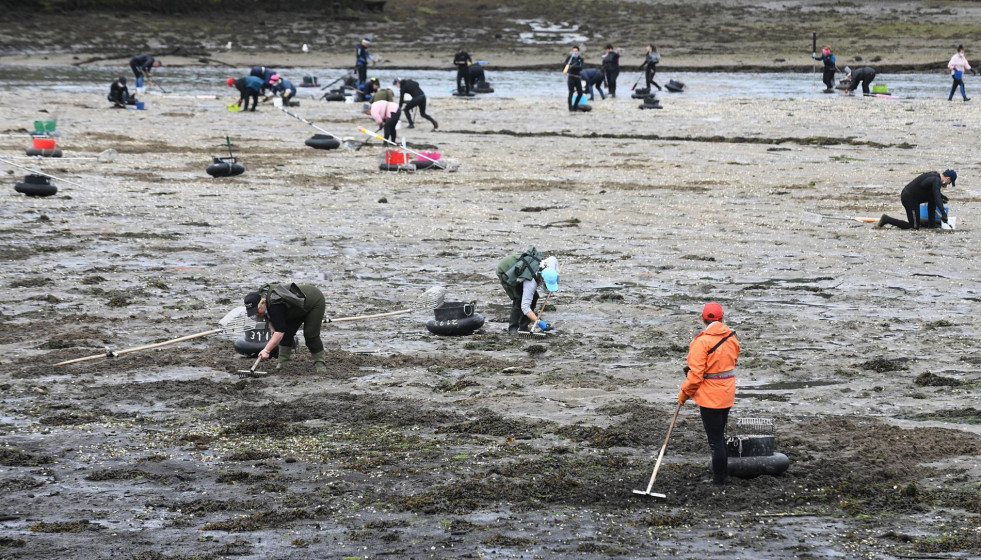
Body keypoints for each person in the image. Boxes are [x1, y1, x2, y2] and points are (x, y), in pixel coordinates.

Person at [678, 302, 740, 486]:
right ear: (722, 318)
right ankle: (722, 475)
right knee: (720, 436)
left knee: (716, 441)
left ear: (702, 319)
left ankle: (720, 480)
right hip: (727, 392)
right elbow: (732, 360)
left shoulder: (702, 342)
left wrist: (684, 393)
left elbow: (695, 377)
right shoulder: (732, 337)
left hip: (710, 396)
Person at [244, 283, 327, 373]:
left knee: (310, 334)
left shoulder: (274, 304)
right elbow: (269, 315)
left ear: (262, 303)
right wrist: (272, 325)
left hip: (313, 301)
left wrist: (266, 350)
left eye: (256, 311)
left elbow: (279, 332)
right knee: (287, 333)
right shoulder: (262, 298)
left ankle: (320, 363)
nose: (256, 314)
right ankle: (283, 362)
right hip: (296, 307)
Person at [495, 248, 559, 334]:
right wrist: (538, 322)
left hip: (521, 266)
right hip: (506, 269)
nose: (546, 287)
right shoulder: (530, 282)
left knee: (534, 297)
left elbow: (554, 258)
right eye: (546, 285)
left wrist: (557, 276)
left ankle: (523, 327)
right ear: (541, 279)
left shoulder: (550, 265)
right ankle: (513, 329)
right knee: (519, 298)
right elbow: (525, 307)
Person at [875, 170, 956, 230]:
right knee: (913, 227)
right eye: (949, 182)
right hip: (909, 199)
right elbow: (936, 195)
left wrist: (941, 197)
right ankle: (886, 219)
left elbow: (933, 193)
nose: (948, 184)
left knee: (933, 199)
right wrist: (943, 213)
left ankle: (932, 225)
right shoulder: (936, 180)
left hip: (914, 198)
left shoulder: (935, 176)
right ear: (948, 178)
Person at [563, 46, 585, 111]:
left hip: (577, 78)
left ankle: (575, 106)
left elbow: (580, 67)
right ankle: (570, 109)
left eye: (576, 51)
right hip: (571, 77)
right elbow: (565, 65)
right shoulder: (569, 58)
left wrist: (572, 66)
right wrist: (570, 65)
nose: (575, 52)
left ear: (578, 52)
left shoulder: (580, 59)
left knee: (580, 93)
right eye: (574, 51)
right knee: (571, 92)